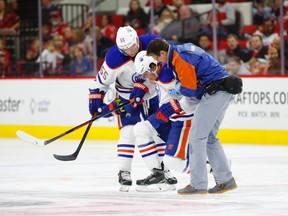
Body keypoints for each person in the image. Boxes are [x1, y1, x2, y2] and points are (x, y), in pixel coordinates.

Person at [147, 38, 241, 195]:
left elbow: (190, 90)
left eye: (157, 58)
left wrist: (178, 89)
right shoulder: (181, 50)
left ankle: (198, 184)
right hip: (222, 90)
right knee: (209, 137)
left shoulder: (179, 58)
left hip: (215, 93)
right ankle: (226, 179)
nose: (159, 62)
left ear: (163, 53)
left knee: (196, 137)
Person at [88, 26, 176, 192]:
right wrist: (95, 99)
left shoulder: (152, 43)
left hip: (150, 94)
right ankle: (124, 172)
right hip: (126, 97)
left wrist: (143, 85)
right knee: (128, 132)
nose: (131, 50)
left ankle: (163, 170)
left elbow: (162, 68)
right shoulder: (114, 57)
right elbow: (101, 82)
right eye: (126, 49)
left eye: (133, 45)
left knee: (156, 131)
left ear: (137, 39)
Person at [132, 50, 196, 191]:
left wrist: (172, 107)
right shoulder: (160, 74)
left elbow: (189, 96)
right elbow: (157, 87)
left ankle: (209, 168)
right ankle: (158, 174)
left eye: (146, 73)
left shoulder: (167, 75)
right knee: (140, 130)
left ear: (153, 66)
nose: (145, 77)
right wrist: (140, 88)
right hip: (168, 116)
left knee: (175, 161)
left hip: (179, 119)